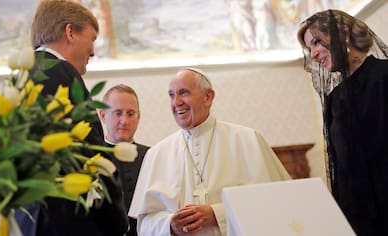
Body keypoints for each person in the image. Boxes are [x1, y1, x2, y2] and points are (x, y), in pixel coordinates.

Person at [129, 68, 291, 235]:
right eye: (171, 95)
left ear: (208, 97)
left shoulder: (247, 139)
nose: (176, 102)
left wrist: (218, 214)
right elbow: (144, 225)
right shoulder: (157, 154)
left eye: (183, 93)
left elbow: (274, 203)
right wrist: (170, 224)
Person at [15, 1, 129, 235]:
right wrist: (118, 221)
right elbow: (93, 157)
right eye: (92, 39)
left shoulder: (20, 77)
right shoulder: (62, 72)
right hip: (67, 222)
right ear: (70, 32)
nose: (93, 51)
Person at [297, 9, 388, 235]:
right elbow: (342, 168)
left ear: (343, 33)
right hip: (362, 219)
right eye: (310, 48)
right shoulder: (335, 99)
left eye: (317, 42)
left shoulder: (385, 76)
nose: (314, 54)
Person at [99, 84, 150, 236]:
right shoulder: (89, 157)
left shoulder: (152, 156)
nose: (124, 121)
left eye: (130, 113)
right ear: (102, 115)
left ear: (139, 117)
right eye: (117, 113)